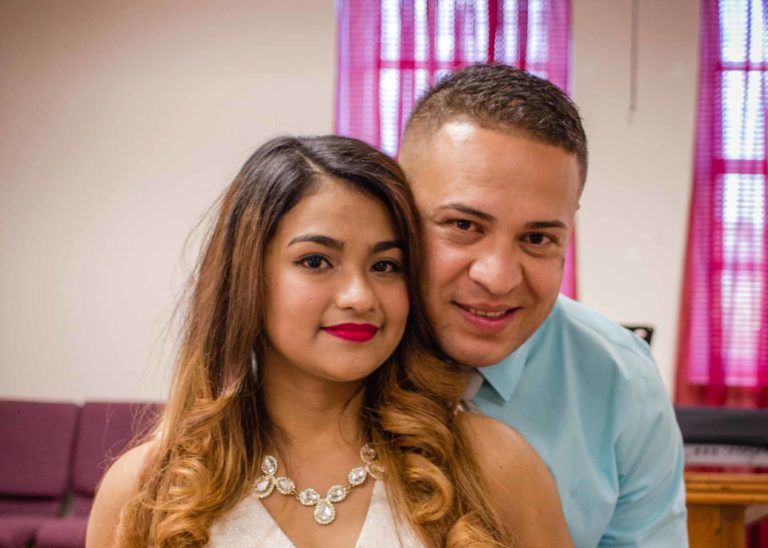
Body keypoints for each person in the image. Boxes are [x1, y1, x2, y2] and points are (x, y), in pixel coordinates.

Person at [86, 135, 571, 547]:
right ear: (248, 276)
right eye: (316, 261)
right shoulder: (143, 489)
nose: (360, 297)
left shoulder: (494, 465)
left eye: (385, 266)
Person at [398, 64, 688, 547]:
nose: (497, 277)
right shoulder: (322, 357)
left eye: (537, 237)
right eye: (464, 226)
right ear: (399, 205)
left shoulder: (621, 379)